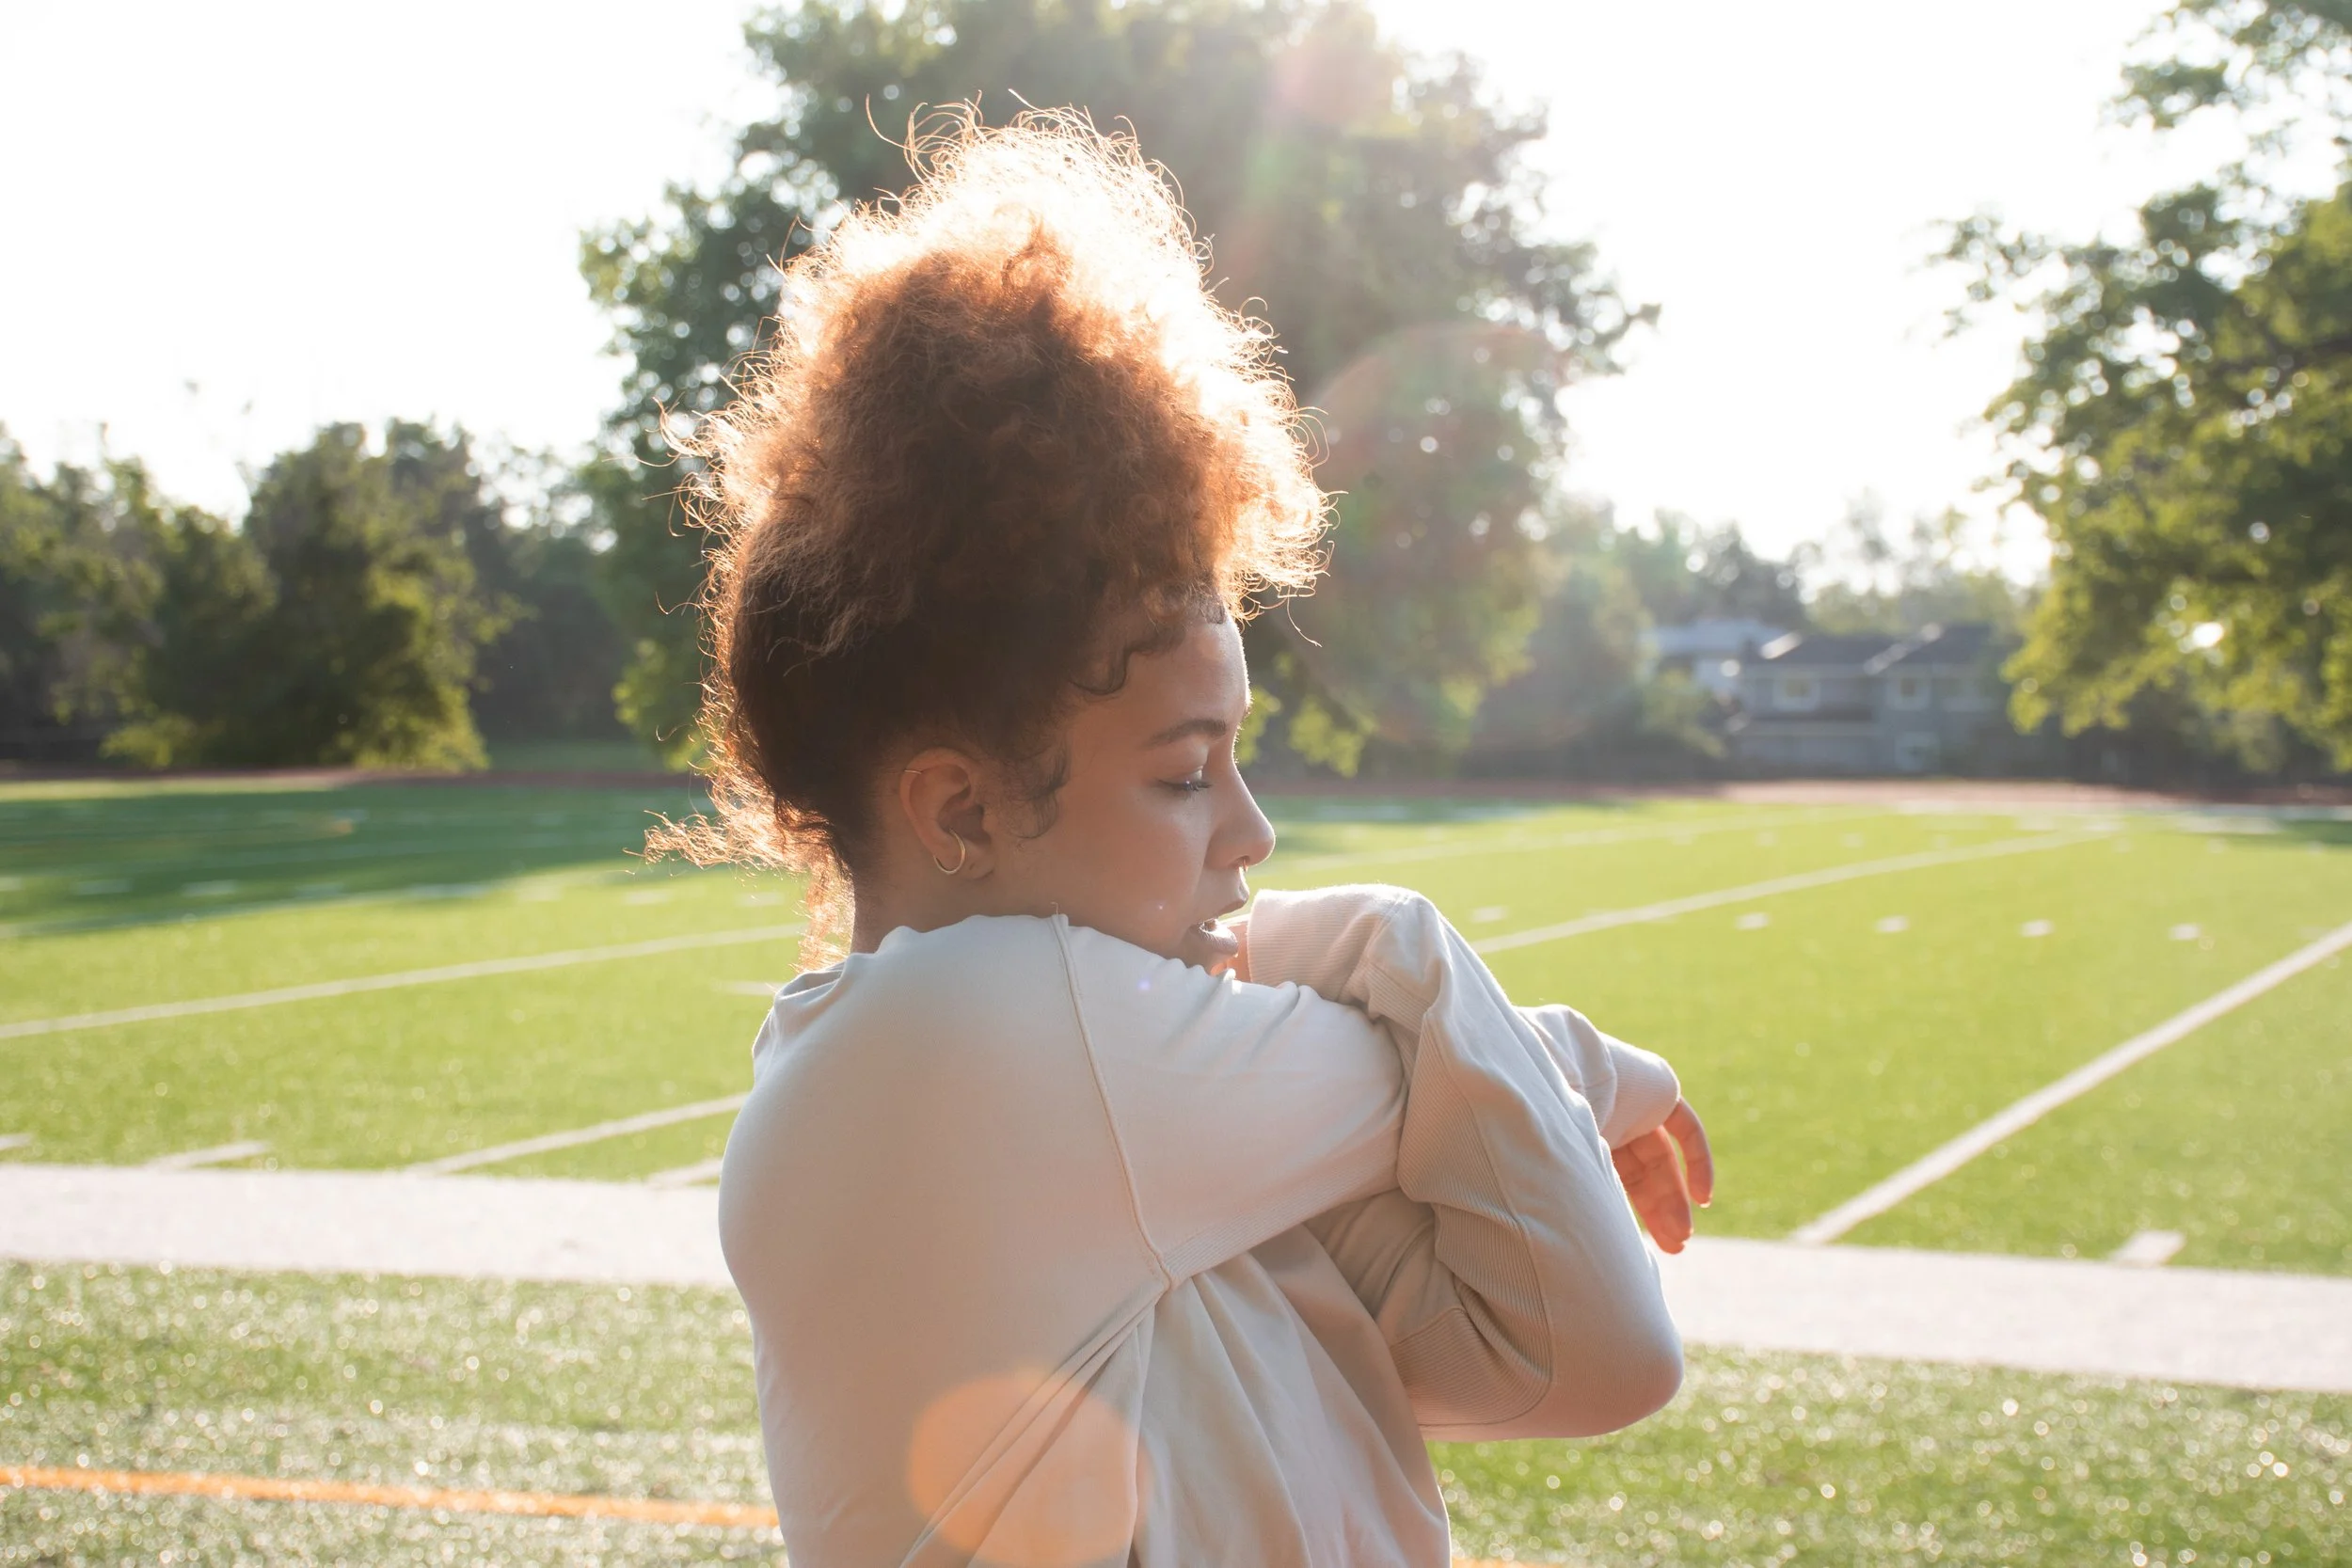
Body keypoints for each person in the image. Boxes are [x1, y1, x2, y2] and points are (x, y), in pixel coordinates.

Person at [666, 109, 1713, 1568]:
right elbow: (1612, 1341)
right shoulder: (966, 1036)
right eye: (1182, 775)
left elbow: (1584, 1356)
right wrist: (1411, 957)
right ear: (961, 809)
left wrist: (1483, 1048)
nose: (1252, 830)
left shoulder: (1181, 1127)